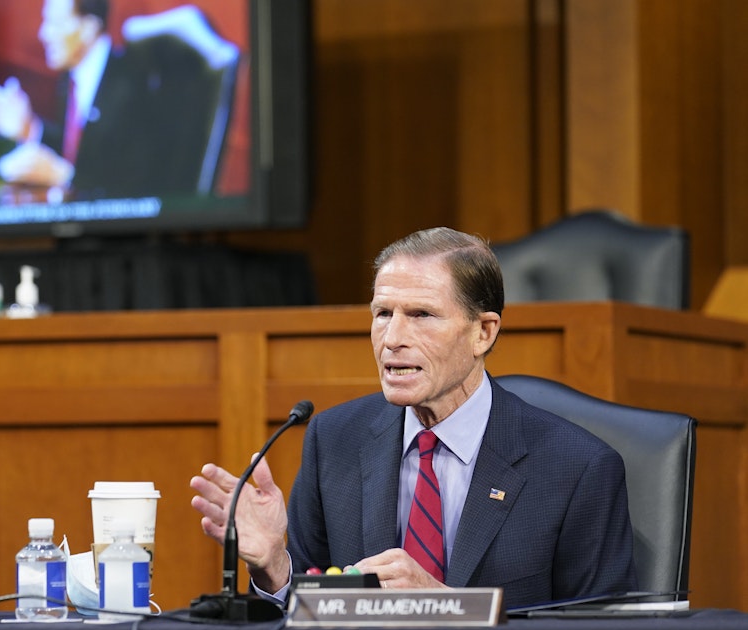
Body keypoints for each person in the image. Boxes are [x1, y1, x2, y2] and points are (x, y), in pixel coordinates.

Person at [190, 227, 638, 609]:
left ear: (483, 332)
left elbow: (596, 627)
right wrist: (274, 567)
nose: (393, 338)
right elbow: (310, 611)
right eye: (383, 314)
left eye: (421, 315)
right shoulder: (334, 439)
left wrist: (443, 607)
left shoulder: (577, 468)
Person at [0, 0, 222, 198]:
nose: (43, 33)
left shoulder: (136, 87)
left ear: (89, 28)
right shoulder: (73, 78)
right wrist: (30, 128)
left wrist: (64, 177)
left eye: (55, 24)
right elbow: (87, 153)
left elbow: (136, 190)